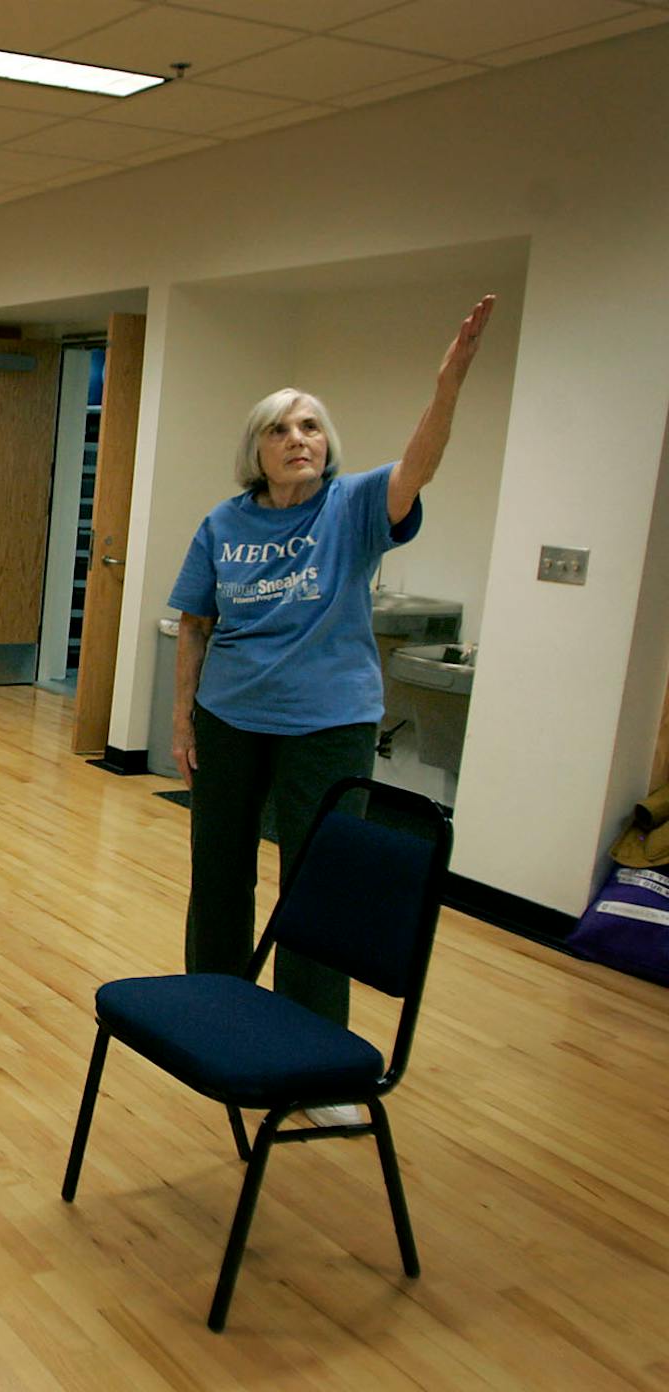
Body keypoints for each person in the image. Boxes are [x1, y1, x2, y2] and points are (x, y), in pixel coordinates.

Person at [169, 297, 497, 1075]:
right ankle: (208, 1011)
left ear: (329, 444)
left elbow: (419, 464)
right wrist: (182, 722)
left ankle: (310, 1052)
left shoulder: (353, 508)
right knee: (219, 870)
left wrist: (446, 385)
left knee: (317, 884)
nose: (298, 439)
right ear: (257, 448)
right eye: (280, 429)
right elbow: (193, 624)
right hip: (229, 716)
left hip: (330, 721)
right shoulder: (223, 522)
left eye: (311, 425)